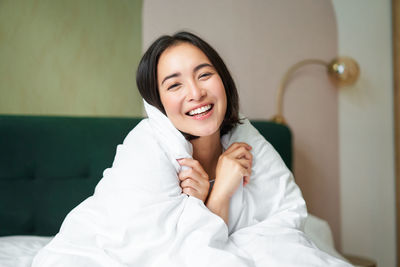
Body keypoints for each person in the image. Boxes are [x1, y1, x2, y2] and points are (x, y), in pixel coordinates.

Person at [32, 31, 352, 267]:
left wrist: (220, 192)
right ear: (157, 104)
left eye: (205, 75)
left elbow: (284, 218)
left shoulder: (246, 138)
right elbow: (164, 254)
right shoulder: (147, 147)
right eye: (174, 85)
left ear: (222, 80)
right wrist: (210, 199)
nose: (196, 93)